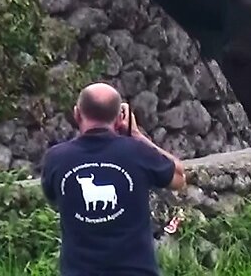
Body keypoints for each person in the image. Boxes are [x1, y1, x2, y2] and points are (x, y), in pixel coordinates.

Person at [41, 83, 185, 276]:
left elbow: (52, 198)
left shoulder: (56, 158)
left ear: (76, 114)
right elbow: (179, 177)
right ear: (119, 119)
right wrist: (137, 135)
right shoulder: (138, 152)